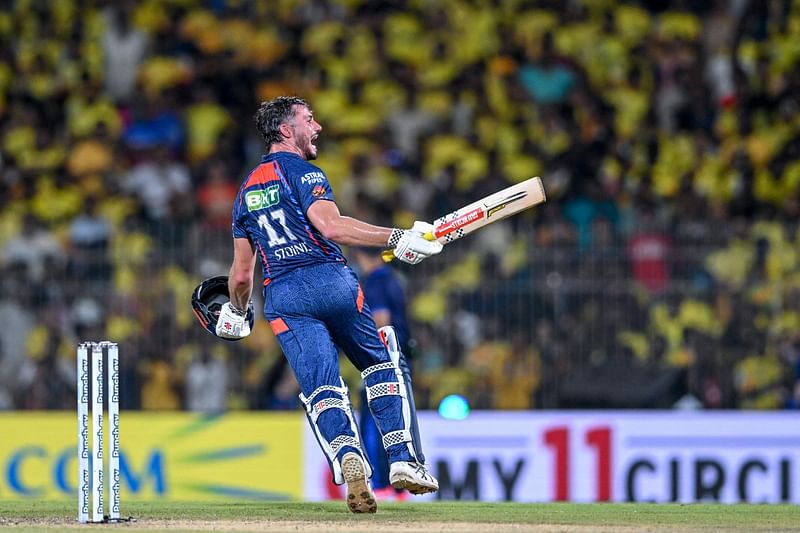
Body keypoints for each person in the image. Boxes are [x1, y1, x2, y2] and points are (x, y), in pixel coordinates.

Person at [215, 96, 442, 513]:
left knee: (322, 386)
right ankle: (403, 460)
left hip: (283, 297)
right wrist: (398, 237)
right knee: (379, 362)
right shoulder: (305, 172)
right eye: (309, 119)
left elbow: (242, 276)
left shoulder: (244, 192)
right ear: (286, 130)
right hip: (330, 280)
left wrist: (235, 311)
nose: (317, 126)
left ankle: (346, 455)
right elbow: (332, 226)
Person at [351, 246, 426, 501]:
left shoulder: (375, 282)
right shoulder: (392, 279)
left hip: (382, 360)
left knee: (375, 423)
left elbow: (381, 322)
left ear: (361, 257)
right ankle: (396, 486)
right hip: (400, 356)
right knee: (397, 420)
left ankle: (383, 485)